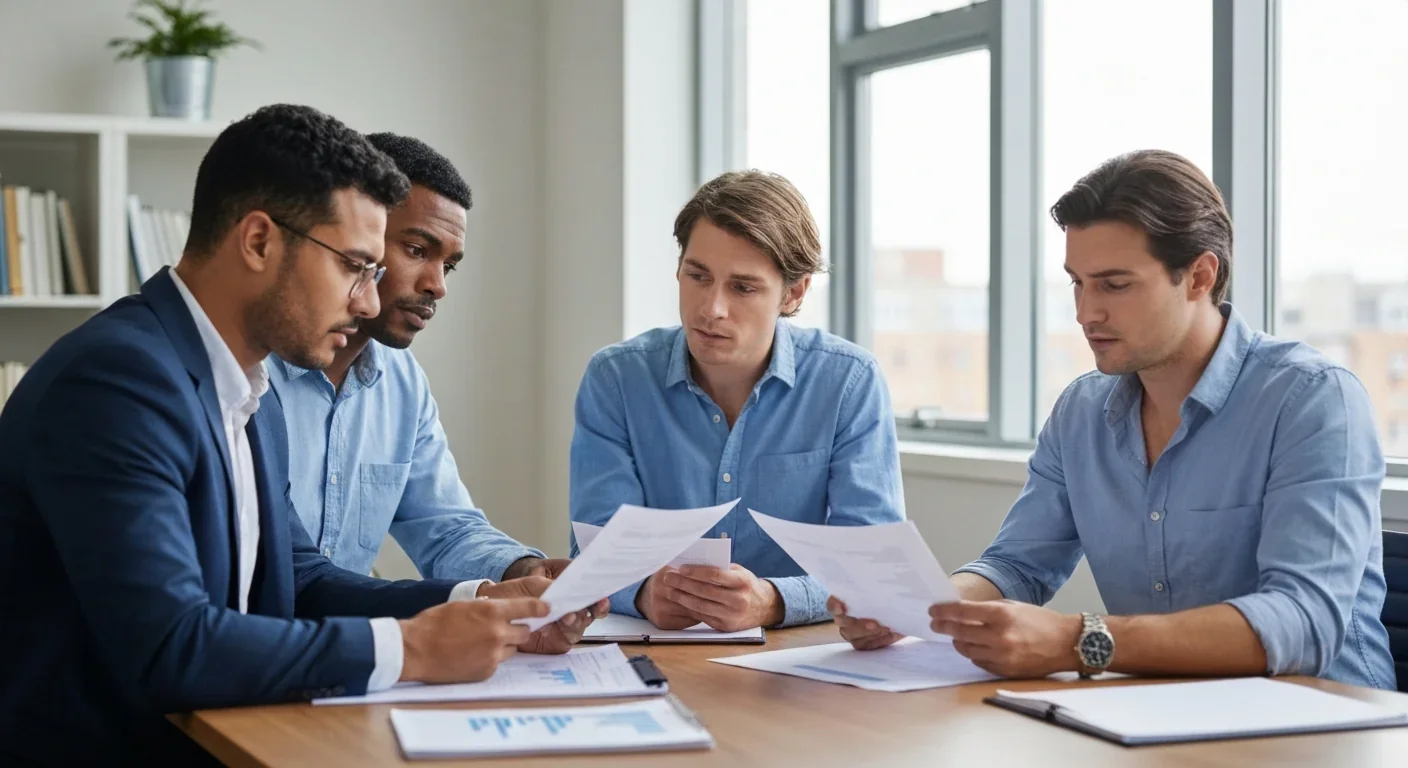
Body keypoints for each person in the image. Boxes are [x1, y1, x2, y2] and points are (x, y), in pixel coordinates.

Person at [0, 105, 552, 766]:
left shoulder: (244, 383)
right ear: (259, 241)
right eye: (355, 265)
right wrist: (415, 649)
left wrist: (478, 599)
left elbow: (300, 579)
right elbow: (169, 647)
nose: (369, 302)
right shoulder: (118, 383)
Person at [831, 149, 1396, 691]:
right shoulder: (1081, 412)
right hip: (1156, 714)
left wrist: (1080, 640)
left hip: (1324, 725)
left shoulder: (1312, 400)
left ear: (1200, 276)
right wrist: (922, 610)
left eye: (1115, 285)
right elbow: (1017, 565)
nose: (1085, 312)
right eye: (1077, 282)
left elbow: (1303, 623)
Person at [266, 132, 603, 652]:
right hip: (259, 658)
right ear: (360, 236)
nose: (437, 285)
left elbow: (444, 526)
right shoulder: (249, 373)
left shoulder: (402, 382)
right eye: (417, 250)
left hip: (351, 659)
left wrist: (525, 571)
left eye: (448, 265)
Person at [570, 170, 905, 633]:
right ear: (678, 268)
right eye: (698, 276)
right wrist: (645, 594)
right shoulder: (616, 379)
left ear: (794, 292)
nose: (712, 309)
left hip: (794, 658)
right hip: (652, 647)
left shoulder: (848, 381)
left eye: (743, 287)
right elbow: (596, 549)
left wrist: (774, 601)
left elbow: (870, 567)